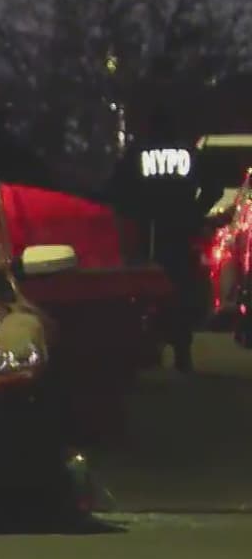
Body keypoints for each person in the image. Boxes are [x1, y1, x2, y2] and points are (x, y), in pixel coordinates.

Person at [108, 109, 223, 373]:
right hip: (180, 230)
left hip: (148, 230)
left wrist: (132, 214)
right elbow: (214, 187)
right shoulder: (188, 153)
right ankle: (182, 349)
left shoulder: (137, 153)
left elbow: (117, 189)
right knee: (181, 287)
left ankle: (149, 344)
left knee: (144, 286)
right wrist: (195, 212)